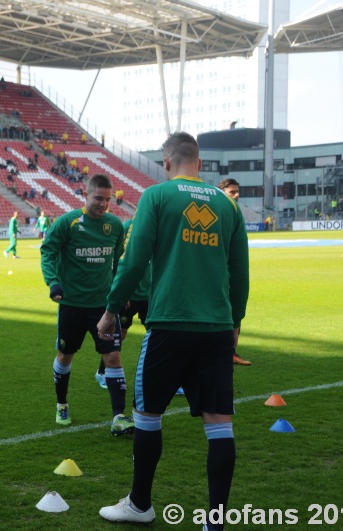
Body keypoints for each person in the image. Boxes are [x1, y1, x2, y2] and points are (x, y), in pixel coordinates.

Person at [96, 132, 249, 529]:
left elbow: (134, 261)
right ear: (199, 163)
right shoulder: (228, 206)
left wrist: (112, 308)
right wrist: (235, 322)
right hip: (216, 328)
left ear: (166, 162)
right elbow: (241, 274)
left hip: (169, 324)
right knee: (219, 424)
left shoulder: (157, 196)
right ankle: (215, 521)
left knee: (147, 414)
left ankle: (140, 504)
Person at [41, 174, 133, 436]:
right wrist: (53, 283)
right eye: (98, 198)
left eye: (107, 199)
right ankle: (62, 404)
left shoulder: (115, 225)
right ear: (86, 194)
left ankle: (118, 417)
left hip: (104, 307)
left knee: (113, 356)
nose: (103, 204)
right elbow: (47, 251)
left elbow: (118, 263)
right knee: (65, 356)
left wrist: (120, 290)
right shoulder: (68, 223)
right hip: (72, 305)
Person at [95, 216, 151, 389]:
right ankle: (102, 372)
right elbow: (118, 260)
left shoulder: (157, 227)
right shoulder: (126, 227)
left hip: (150, 294)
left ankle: (163, 377)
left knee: (158, 337)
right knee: (120, 334)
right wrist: (121, 291)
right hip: (129, 294)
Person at [217, 178, 251, 366]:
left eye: (237, 192)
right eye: (232, 192)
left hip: (233, 276)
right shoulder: (221, 212)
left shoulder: (235, 213)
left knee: (235, 314)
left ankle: (231, 353)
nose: (237, 195)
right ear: (222, 192)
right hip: (221, 276)